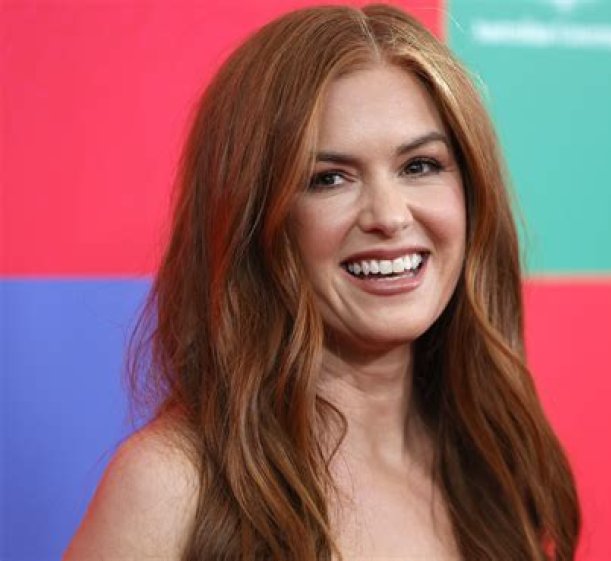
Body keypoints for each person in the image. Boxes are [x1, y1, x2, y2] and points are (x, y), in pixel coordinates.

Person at [64, 4, 580, 560]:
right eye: (329, 178)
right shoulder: (173, 487)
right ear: (252, 218)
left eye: (419, 166)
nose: (389, 216)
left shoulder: (493, 463)